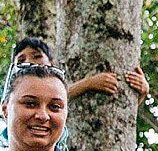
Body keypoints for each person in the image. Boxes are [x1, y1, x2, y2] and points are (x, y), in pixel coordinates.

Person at [11, 36, 147, 105]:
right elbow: (53, 97)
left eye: (36, 56)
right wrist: (89, 83)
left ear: (51, 62)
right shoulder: (13, 94)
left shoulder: (56, 80)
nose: (29, 62)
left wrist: (140, 92)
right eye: (21, 60)